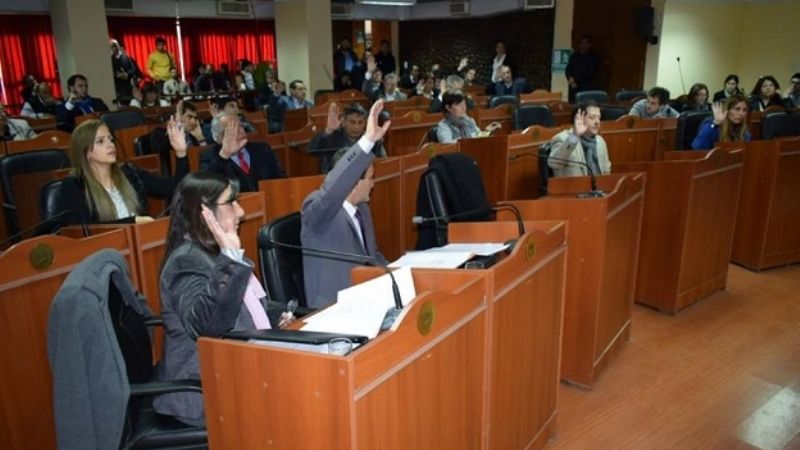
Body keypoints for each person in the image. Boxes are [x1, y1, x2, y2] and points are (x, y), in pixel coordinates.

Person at [155, 171, 294, 427]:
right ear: (203, 212)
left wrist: (276, 317)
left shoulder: (211, 252)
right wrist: (231, 258)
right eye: (231, 202)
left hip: (238, 370)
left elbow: (244, 307)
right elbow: (206, 328)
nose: (240, 212)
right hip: (206, 391)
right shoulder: (185, 261)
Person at [301, 100, 391, 309]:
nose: (373, 184)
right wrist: (367, 140)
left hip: (367, 297)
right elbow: (333, 189)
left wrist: (397, 276)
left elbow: (373, 256)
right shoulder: (318, 210)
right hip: (334, 306)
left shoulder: (362, 210)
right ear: (353, 182)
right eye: (369, 178)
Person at [58, 119, 189, 225]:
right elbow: (84, 230)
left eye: (110, 139)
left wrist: (181, 153)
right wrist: (132, 222)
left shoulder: (129, 173)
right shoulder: (75, 185)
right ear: (85, 152)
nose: (110, 144)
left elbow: (176, 188)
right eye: (100, 141)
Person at [202, 112, 286, 192]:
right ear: (219, 137)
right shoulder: (209, 157)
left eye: (241, 126)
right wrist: (224, 155)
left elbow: (279, 178)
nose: (241, 131)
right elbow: (206, 187)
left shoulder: (262, 149)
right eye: (233, 129)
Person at [309, 102, 387, 173]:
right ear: (344, 122)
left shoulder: (372, 140)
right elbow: (311, 151)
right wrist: (328, 130)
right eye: (352, 122)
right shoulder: (332, 136)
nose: (356, 126)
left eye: (360, 122)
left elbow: (384, 162)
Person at [547, 100, 611, 178]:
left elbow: (606, 170)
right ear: (579, 118)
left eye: (599, 118)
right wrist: (575, 135)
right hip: (573, 189)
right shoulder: (562, 138)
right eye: (592, 118)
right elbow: (554, 164)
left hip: (598, 189)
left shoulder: (600, 141)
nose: (597, 122)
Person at [436, 91, 500, 144]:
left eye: (464, 104)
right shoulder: (443, 125)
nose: (463, 108)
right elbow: (447, 145)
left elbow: (478, 136)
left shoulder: (469, 121)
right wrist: (470, 139)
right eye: (458, 105)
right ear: (448, 107)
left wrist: (487, 131)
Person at [565, 35, 601, 103]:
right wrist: (569, 78)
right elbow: (568, 68)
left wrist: (574, 79)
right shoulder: (575, 55)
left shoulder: (593, 57)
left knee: (584, 106)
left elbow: (589, 72)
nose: (584, 45)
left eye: (586, 43)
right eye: (582, 43)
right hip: (573, 86)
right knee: (572, 106)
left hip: (586, 86)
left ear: (590, 45)